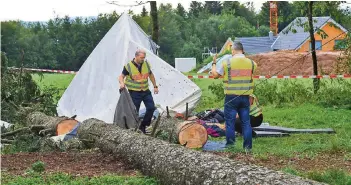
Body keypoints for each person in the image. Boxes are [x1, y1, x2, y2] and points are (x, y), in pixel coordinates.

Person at [211, 42, 257, 151]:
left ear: (233, 50)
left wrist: (214, 63)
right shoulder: (252, 63)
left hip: (231, 97)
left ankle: (231, 146)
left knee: (230, 122)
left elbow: (215, 75)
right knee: (246, 123)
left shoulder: (226, 63)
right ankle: (248, 148)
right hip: (245, 97)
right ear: (242, 50)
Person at [118, 49, 159, 134]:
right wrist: (122, 84)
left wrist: (155, 86)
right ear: (136, 56)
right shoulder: (128, 66)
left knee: (151, 108)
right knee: (134, 111)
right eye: (141, 57)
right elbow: (121, 77)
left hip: (145, 90)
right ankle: (134, 127)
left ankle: (143, 125)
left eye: (144, 57)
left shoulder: (146, 64)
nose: (143, 59)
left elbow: (151, 75)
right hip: (134, 92)